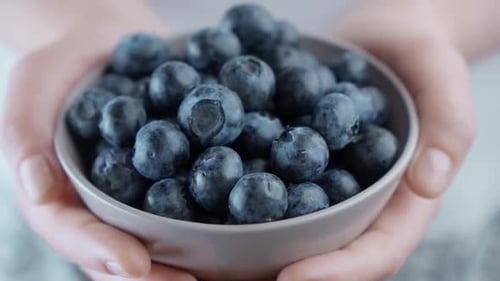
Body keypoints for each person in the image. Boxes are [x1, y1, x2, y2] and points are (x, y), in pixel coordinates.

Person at [0, 0, 489, 280]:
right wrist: (71, 18)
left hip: (432, 227)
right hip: (102, 232)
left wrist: (434, 16)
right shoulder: (160, 119)